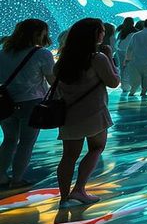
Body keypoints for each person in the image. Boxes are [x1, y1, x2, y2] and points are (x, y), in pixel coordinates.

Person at [53, 18, 120, 205]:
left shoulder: (63, 60)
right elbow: (114, 81)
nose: (103, 34)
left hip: (69, 114)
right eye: (101, 31)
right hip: (94, 112)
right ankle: (79, 189)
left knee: (68, 156)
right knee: (96, 148)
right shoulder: (97, 58)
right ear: (94, 34)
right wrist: (110, 57)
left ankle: (64, 196)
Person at [0, 19, 55, 188]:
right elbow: (52, 79)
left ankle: (1, 176)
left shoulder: (3, 53)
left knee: (9, 140)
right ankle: (17, 179)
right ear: (39, 34)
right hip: (32, 103)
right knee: (26, 142)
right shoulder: (42, 54)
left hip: (5, 102)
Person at [122, 18, 147, 97]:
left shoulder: (136, 35)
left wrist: (127, 59)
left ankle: (132, 91)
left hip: (136, 60)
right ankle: (144, 92)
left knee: (135, 77)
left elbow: (130, 48)